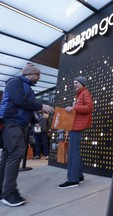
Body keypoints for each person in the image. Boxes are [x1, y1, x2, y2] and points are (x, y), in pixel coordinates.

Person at [0, 62, 54, 207]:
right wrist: (41, 105)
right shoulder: (14, 82)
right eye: (37, 75)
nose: (39, 77)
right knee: (16, 153)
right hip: (12, 123)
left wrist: (34, 121)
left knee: (7, 155)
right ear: (29, 74)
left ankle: (2, 191)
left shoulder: (27, 87)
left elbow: (26, 107)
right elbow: (20, 101)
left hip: (20, 124)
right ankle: (9, 193)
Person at [58, 76, 93, 189]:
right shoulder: (80, 94)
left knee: (73, 152)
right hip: (75, 126)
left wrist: (74, 108)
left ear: (83, 84)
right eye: (74, 82)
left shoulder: (85, 93)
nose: (74, 84)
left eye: (76, 82)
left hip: (77, 127)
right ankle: (79, 176)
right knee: (74, 152)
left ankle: (73, 180)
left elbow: (89, 107)